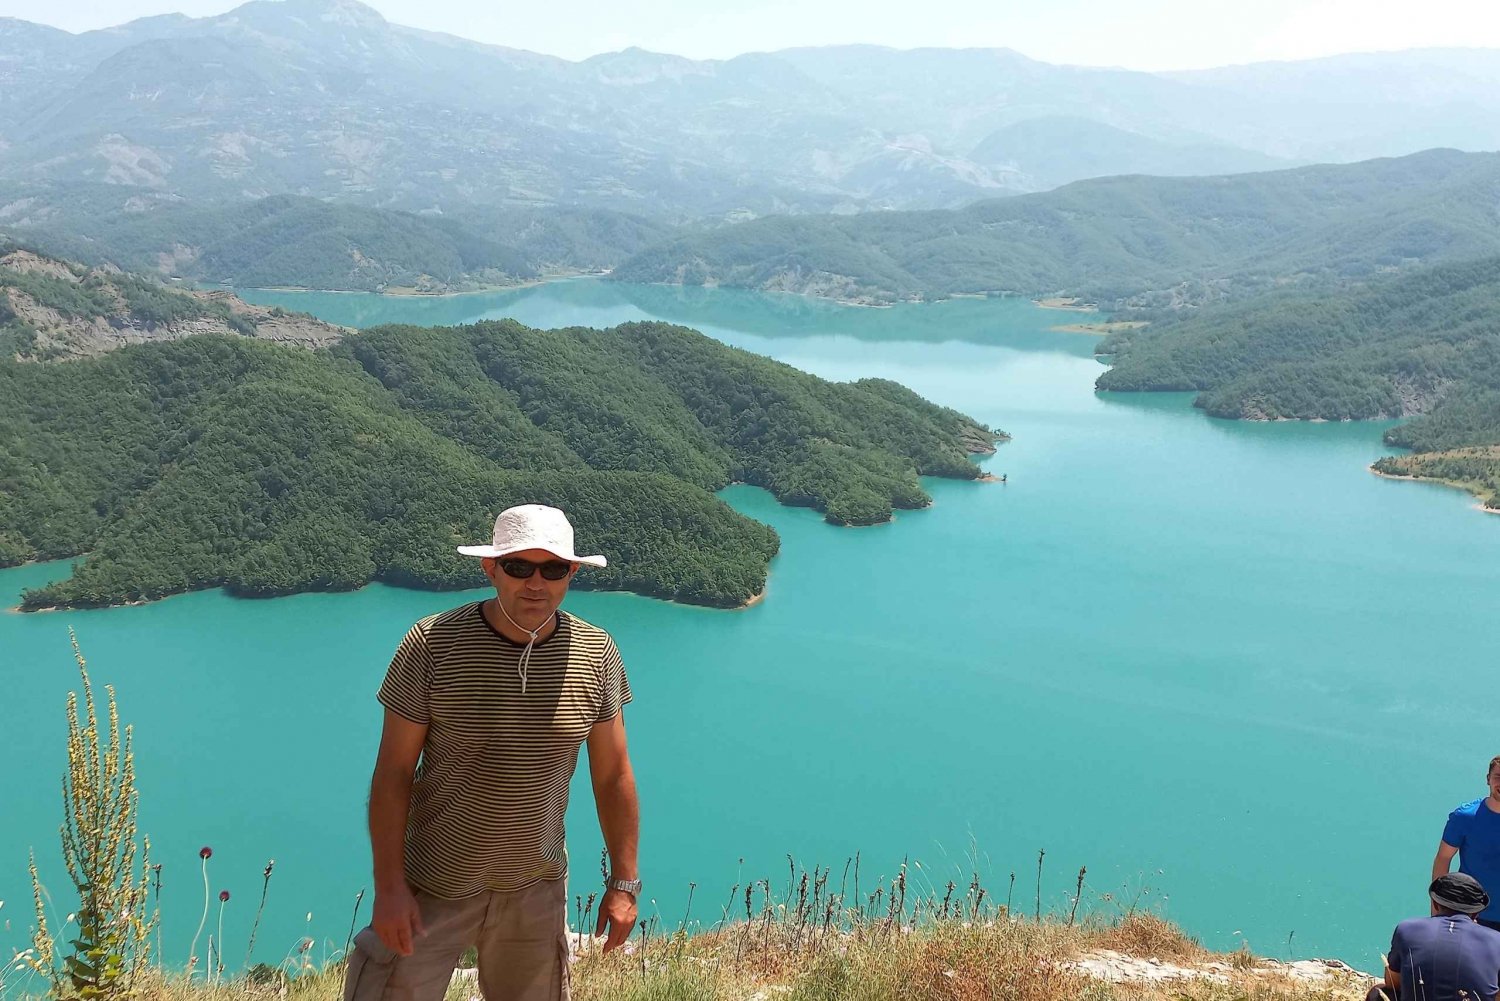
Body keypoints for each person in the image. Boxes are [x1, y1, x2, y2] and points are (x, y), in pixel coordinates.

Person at [345, 504, 640, 1001]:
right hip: (433, 884)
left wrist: (625, 883)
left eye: (553, 569)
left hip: (535, 886)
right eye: (518, 567)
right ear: (491, 569)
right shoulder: (432, 644)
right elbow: (393, 774)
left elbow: (612, 776)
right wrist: (389, 888)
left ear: (572, 573)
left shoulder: (596, 652)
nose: (536, 584)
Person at [1368, 873, 1500, 1001]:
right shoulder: (1496, 940)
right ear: (1476, 913)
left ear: (1435, 904)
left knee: (1378, 991)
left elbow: (1393, 983)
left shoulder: (1407, 928)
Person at [1434, 756, 1500, 932]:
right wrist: (1436, 913)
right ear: (1488, 779)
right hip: (1472, 916)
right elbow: (1443, 859)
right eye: (1498, 777)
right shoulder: (1465, 817)